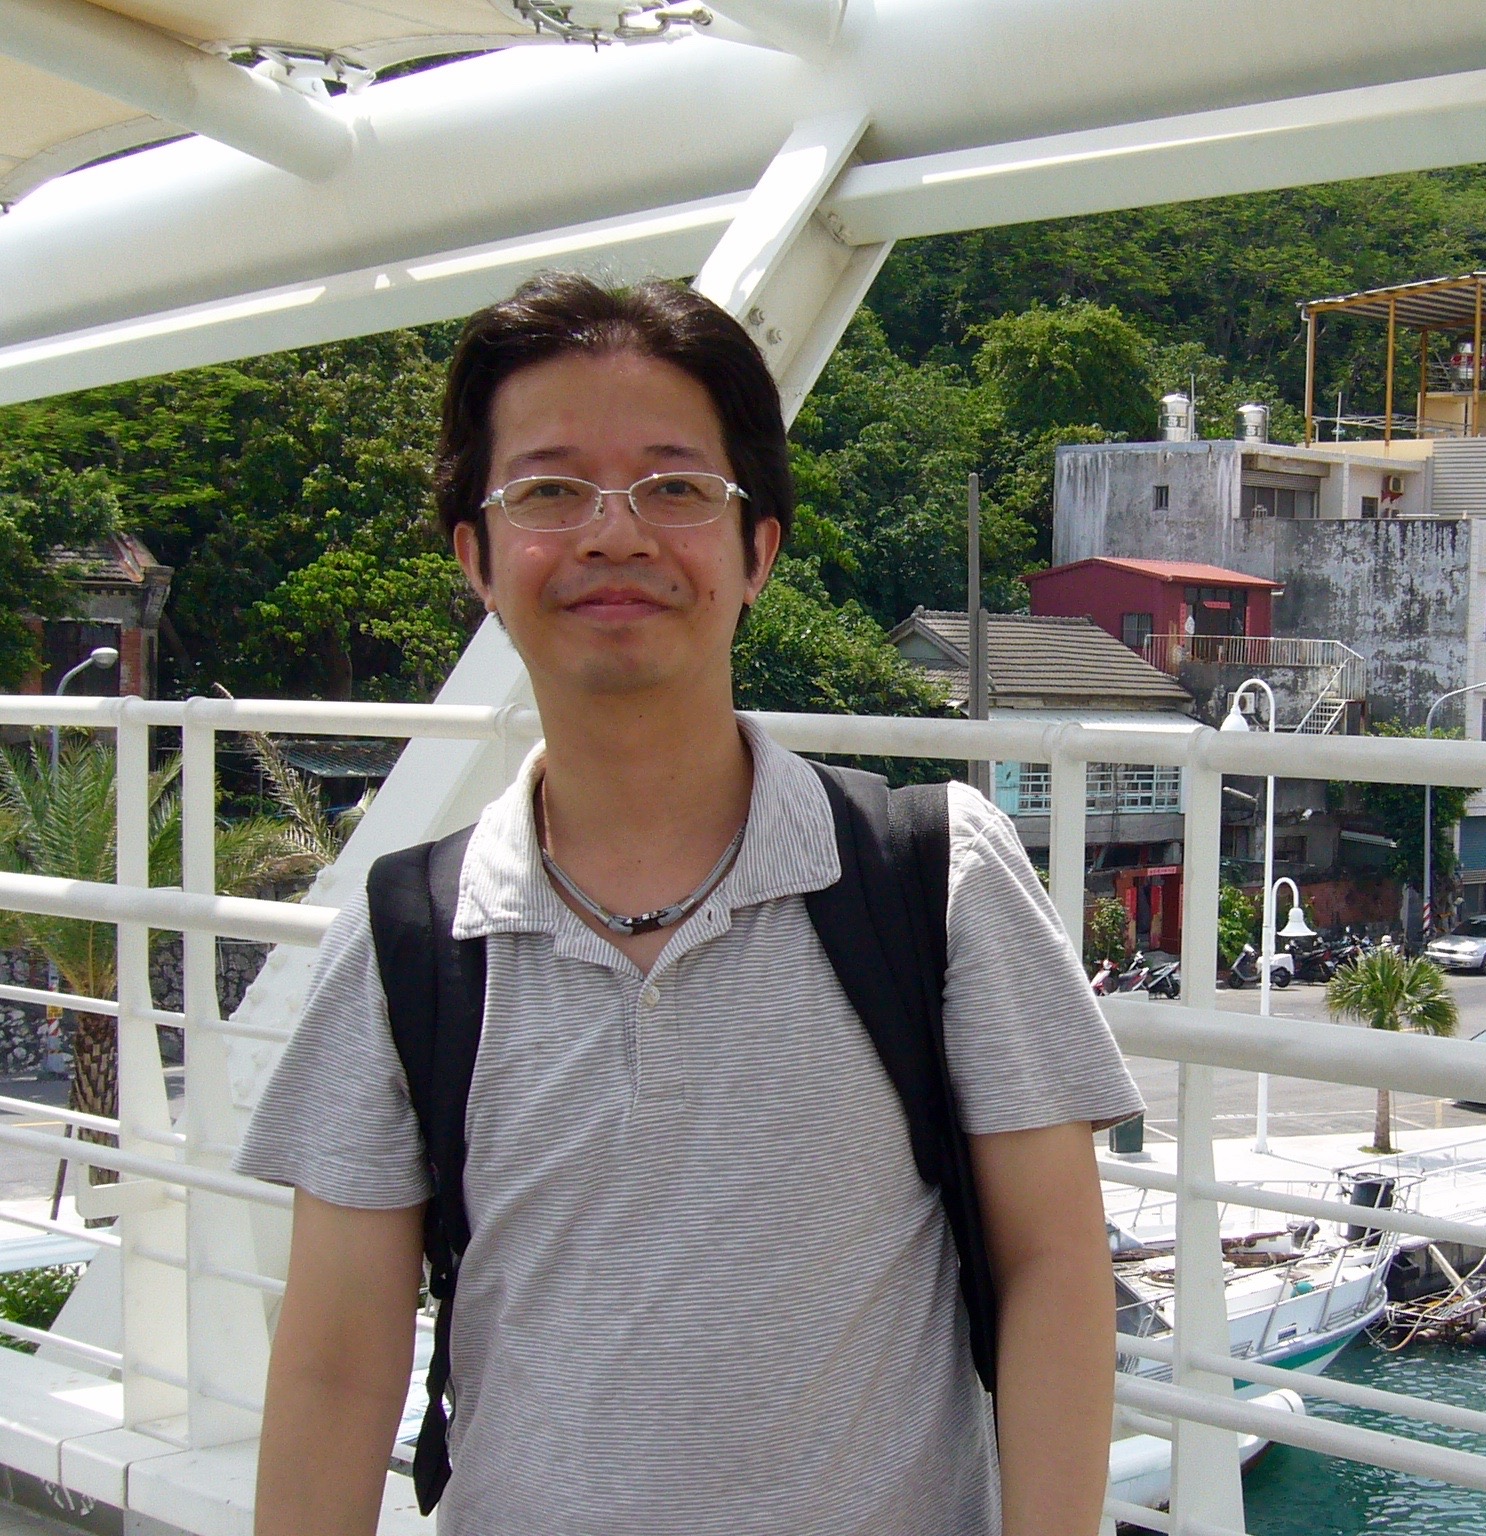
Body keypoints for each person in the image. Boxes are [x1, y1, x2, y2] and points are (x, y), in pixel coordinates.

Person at [235, 272, 1143, 1536]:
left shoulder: (930, 880)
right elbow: (338, 1363)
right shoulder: (409, 943)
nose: (614, 536)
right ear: (476, 558)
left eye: (674, 489)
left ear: (755, 547)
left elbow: (1052, 1266)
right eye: (549, 492)